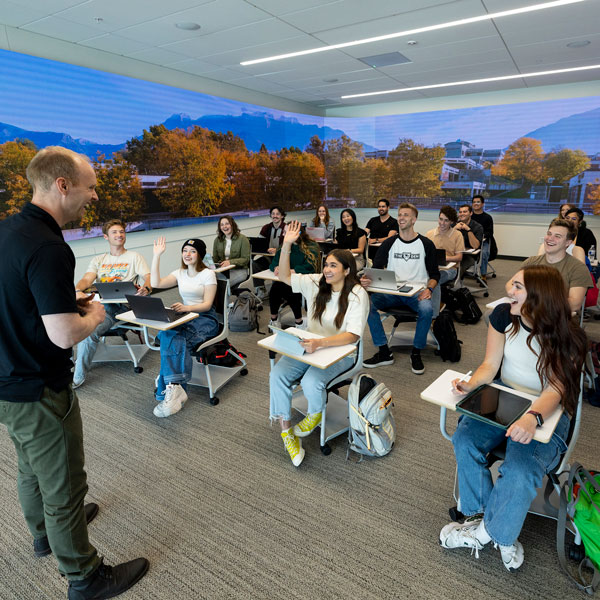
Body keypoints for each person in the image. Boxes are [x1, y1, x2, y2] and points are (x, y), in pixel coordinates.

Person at [0, 146, 148, 599]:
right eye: (90, 186)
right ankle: (85, 576)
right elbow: (65, 335)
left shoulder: (10, 231)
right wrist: (96, 315)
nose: (94, 195)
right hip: (40, 384)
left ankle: (45, 534)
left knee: (31, 466)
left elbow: (22, 301)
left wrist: (66, 304)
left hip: (7, 378)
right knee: (65, 480)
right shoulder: (48, 247)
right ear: (62, 185)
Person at [440, 265, 587, 572]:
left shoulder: (570, 335)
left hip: (549, 410)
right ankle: (484, 515)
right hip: (504, 395)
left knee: (520, 468)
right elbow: (490, 365)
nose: (509, 290)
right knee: (465, 438)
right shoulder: (503, 316)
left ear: (539, 296)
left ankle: (487, 535)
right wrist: (473, 383)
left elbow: (557, 389)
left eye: (518, 287)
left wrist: (533, 417)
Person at [269, 221, 369, 466]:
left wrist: (321, 344)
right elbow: (283, 276)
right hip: (310, 345)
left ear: (347, 270)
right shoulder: (316, 282)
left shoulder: (357, 295)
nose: (327, 269)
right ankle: (286, 433)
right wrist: (286, 245)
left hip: (342, 353)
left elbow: (352, 336)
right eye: (326, 264)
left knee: (311, 381)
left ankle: (314, 414)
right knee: (278, 375)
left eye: (333, 266)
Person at [362, 202, 440, 374]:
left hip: (417, 293)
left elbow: (435, 275)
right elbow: (375, 270)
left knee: (427, 309)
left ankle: (416, 352)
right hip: (392, 292)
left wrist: (429, 290)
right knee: (366, 305)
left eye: (406, 215)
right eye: (400, 214)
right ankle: (384, 351)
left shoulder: (426, 244)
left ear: (414, 220)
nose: (401, 218)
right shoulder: (389, 243)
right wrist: (368, 280)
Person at [72, 219, 151, 388]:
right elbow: (87, 279)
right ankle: (65, 366)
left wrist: (147, 288)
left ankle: (77, 378)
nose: (119, 235)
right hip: (100, 303)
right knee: (66, 321)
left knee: (88, 330)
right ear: (105, 237)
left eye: (122, 231)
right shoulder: (99, 260)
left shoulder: (134, 257)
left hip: (122, 306)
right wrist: (77, 290)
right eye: (114, 232)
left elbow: (148, 277)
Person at [151, 237, 220, 418]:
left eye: (192, 251)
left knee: (174, 340)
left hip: (205, 318)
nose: (187, 254)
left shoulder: (208, 274)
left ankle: (168, 383)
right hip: (186, 316)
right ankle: (175, 387)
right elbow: (155, 284)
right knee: (168, 334)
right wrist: (156, 256)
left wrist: (187, 307)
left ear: (200, 255)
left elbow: (207, 304)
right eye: (185, 251)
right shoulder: (180, 273)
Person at [523, 218, 590, 312]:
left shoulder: (578, 269)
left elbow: (575, 304)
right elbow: (512, 286)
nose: (550, 238)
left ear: (568, 243)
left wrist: (537, 304)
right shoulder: (531, 262)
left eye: (557, 236)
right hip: (528, 313)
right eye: (549, 234)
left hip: (556, 318)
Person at [268, 226, 320, 329]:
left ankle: (299, 321)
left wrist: (294, 270)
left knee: (291, 288)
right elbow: (273, 263)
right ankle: (274, 319)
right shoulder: (284, 246)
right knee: (274, 290)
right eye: (285, 232)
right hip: (285, 279)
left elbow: (311, 266)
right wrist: (276, 267)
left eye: (287, 232)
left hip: (304, 279)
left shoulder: (311, 246)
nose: (284, 235)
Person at [426, 205, 464, 315]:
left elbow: (459, 257)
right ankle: (431, 305)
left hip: (450, 270)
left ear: (452, 221)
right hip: (433, 268)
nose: (442, 223)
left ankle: (433, 315)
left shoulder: (457, 235)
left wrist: (446, 258)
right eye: (441, 219)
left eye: (446, 221)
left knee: (434, 280)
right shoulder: (430, 234)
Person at [212, 215, 250, 289]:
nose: (224, 226)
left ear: (232, 225)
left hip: (240, 270)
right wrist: (208, 262)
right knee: (210, 282)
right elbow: (215, 259)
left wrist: (230, 262)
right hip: (223, 270)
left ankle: (224, 301)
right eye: (222, 225)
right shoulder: (217, 240)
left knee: (222, 285)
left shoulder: (243, 239)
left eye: (227, 223)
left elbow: (246, 259)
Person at [455, 204, 484, 278]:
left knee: (459, 265)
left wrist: (468, 230)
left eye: (464, 212)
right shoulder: (454, 225)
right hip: (455, 253)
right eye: (460, 212)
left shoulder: (478, 227)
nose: (462, 214)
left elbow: (475, 246)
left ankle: (453, 282)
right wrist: (454, 229)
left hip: (469, 256)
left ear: (471, 213)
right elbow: (446, 240)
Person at [471, 195, 494, 281]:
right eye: (474, 202)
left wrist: (480, 237)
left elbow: (490, 233)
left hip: (483, 242)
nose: (476, 204)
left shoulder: (487, 217)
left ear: (483, 204)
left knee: (484, 253)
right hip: (470, 241)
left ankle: (483, 275)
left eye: (478, 202)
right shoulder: (469, 216)